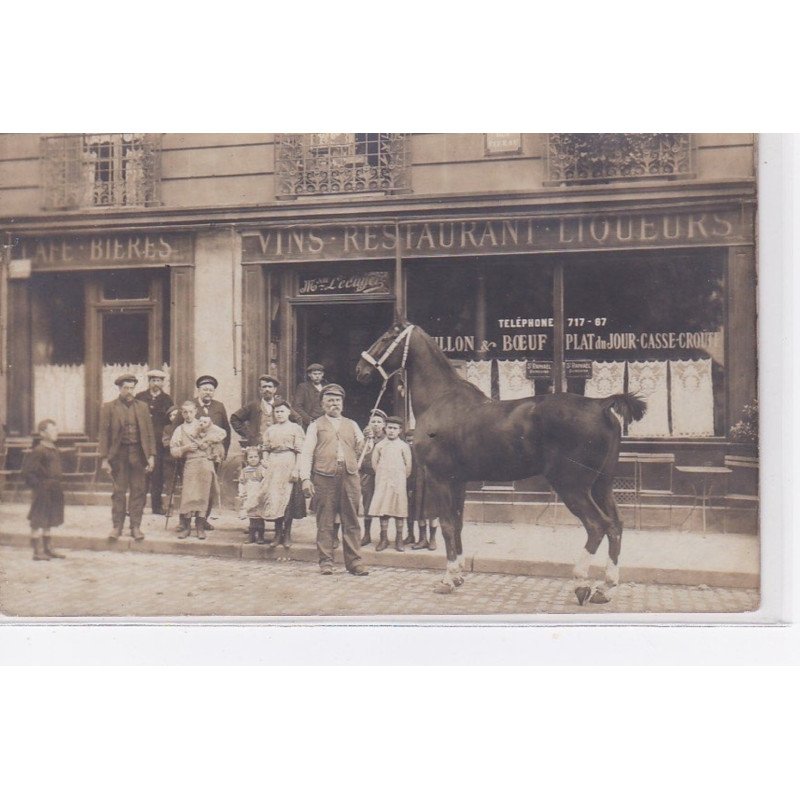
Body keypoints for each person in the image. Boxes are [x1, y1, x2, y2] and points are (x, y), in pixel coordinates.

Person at [299, 383, 369, 576]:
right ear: (322, 404)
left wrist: (368, 439)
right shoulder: (315, 426)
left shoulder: (352, 424)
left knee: (352, 521)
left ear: (342, 404)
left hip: (349, 477)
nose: (334, 404)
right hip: (324, 477)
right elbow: (306, 454)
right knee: (325, 521)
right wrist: (305, 478)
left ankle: (355, 563)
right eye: (329, 400)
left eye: (337, 400)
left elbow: (361, 450)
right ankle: (326, 561)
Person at [99, 373, 156, 542]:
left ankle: (135, 526)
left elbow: (149, 433)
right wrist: (104, 459)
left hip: (139, 455)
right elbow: (103, 435)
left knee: (138, 491)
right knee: (118, 491)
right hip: (119, 455)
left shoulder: (143, 407)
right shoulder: (109, 407)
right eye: (126, 388)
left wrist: (151, 456)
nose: (129, 391)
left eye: (132, 388)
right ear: (119, 388)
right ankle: (117, 526)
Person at [170, 400, 227, 539]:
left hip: (206, 463)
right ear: (181, 413)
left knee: (203, 495)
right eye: (185, 412)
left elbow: (222, 433)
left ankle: (200, 528)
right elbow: (173, 450)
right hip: (191, 464)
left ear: (196, 411)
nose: (188, 415)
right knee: (189, 496)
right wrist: (185, 448)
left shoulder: (203, 423)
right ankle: (187, 528)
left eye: (191, 412)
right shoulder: (180, 429)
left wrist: (208, 442)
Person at [258, 400, 305, 553]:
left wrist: (296, 470)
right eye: (276, 412)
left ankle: (287, 534)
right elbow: (265, 448)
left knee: (288, 501)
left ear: (289, 412)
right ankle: (277, 533)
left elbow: (300, 451)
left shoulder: (296, 428)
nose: (279, 414)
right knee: (275, 498)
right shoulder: (270, 430)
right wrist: (264, 459)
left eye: (282, 411)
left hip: (289, 462)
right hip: (274, 464)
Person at [21, 419, 66, 561]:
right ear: (42, 433)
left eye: (56, 430)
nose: (55, 433)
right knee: (38, 518)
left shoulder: (53, 449)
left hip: (54, 489)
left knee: (50, 517)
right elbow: (27, 472)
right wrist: (39, 487)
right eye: (52, 430)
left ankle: (48, 548)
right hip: (42, 489)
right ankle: (37, 551)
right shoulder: (39, 450)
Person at [368, 416, 413, 552]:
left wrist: (399, 478)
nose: (391, 431)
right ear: (385, 429)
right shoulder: (380, 445)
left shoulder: (404, 446)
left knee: (399, 510)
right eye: (389, 428)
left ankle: (399, 540)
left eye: (395, 428)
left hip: (398, 482)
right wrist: (383, 475)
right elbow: (374, 464)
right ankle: (383, 539)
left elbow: (408, 466)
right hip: (383, 482)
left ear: (399, 430)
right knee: (384, 510)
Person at [193, 375, 231, 530]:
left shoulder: (219, 406)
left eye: (211, 390)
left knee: (209, 488)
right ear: (199, 390)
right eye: (204, 389)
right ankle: (187, 520)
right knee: (194, 488)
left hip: (213, 456)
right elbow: (178, 428)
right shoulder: (191, 406)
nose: (208, 392)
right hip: (194, 455)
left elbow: (227, 430)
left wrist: (224, 453)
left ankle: (202, 520)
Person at [135, 368, 174, 515]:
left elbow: (171, 420)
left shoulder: (167, 399)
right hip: (141, 442)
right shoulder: (140, 397)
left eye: (159, 380)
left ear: (163, 383)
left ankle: (156, 507)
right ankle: (138, 505)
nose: (156, 383)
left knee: (157, 475)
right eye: (153, 380)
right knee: (141, 474)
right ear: (149, 382)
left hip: (158, 443)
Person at [230, 374, 300, 448]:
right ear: (260, 389)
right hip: (259, 446)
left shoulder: (282, 404)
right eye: (264, 387)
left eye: (270, 387)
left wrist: (289, 435)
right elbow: (234, 418)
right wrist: (249, 434)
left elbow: (297, 419)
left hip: (279, 446)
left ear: (275, 389)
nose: (267, 389)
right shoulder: (253, 405)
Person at [359, 408, 387, 547]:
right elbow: (359, 454)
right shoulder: (366, 438)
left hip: (382, 477)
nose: (375, 424)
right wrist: (365, 439)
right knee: (367, 504)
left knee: (383, 504)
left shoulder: (388, 439)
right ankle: (367, 534)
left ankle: (383, 536)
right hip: (368, 475)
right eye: (373, 421)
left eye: (378, 422)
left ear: (383, 425)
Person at [238, 446, 267, 544]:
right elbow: (242, 482)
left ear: (259, 458)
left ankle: (261, 536)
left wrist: (263, 492)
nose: (253, 459)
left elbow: (265, 481)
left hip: (259, 495)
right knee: (251, 517)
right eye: (250, 457)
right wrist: (241, 492)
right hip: (249, 495)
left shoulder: (262, 469)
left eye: (255, 457)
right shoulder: (245, 470)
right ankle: (251, 536)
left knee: (259, 517)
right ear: (247, 459)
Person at [293, 363, 326, 429]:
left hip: (325, 422)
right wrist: (308, 419)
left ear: (322, 374)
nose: (317, 376)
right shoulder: (303, 387)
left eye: (319, 374)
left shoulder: (326, 387)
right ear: (309, 375)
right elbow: (297, 406)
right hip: (310, 423)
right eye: (315, 374)